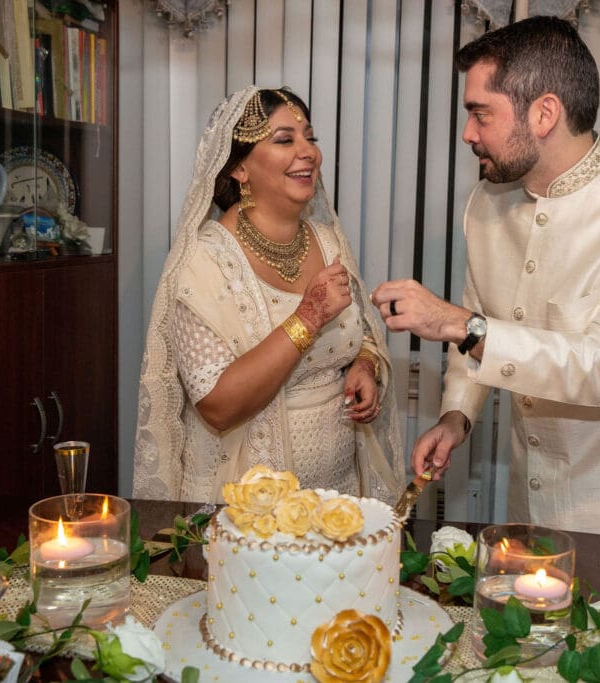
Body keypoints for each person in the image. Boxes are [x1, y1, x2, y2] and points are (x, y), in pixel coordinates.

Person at [371, 17, 600, 540]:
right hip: (526, 504)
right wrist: (457, 416)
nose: (468, 133)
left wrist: (459, 324)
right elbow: (482, 326)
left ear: (544, 113)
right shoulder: (485, 203)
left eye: (481, 113)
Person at [134, 86, 403, 504]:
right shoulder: (202, 264)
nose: (308, 152)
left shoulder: (329, 241)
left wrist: (366, 365)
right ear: (239, 167)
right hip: (245, 509)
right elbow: (218, 405)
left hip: (338, 498)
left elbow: (361, 333)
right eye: (284, 140)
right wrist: (308, 317)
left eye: (310, 137)